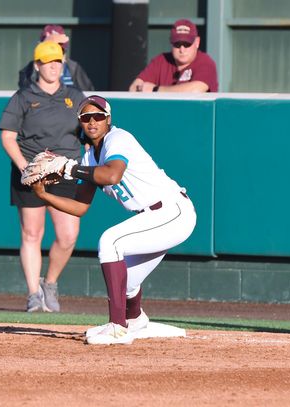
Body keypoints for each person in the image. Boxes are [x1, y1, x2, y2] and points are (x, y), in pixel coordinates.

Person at [31, 95, 197, 345]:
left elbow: (111, 175)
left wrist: (68, 169)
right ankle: (135, 320)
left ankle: (118, 327)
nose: (92, 121)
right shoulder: (89, 159)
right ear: (80, 122)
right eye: (86, 117)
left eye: (98, 116)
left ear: (108, 119)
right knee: (125, 280)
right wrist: (44, 195)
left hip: (172, 212)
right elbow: (79, 207)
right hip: (155, 216)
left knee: (110, 241)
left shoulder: (118, 138)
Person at [0, 41, 85, 313]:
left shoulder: (75, 95)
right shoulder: (23, 97)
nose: (53, 67)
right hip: (31, 171)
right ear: (37, 65)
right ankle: (34, 294)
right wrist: (26, 167)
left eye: (57, 61)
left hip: (64, 171)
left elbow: (89, 132)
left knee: (68, 235)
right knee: (32, 233)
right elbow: (8, 136)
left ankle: (50, 283)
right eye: (48, 62)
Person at [128, 19, 218, 93]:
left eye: (187, 44)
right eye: (177, 44)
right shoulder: (161, 60)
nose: (182, 50)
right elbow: (134, 88)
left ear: (197, 42)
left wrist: (156, 90)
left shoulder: (205, 62)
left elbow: (196, 89)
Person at [18, 24, 95, 91]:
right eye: (48, 52)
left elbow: (88, 95)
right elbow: (26, 93)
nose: (53, 62)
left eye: (59, 51)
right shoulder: (29, 71)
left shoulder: (74, 69)